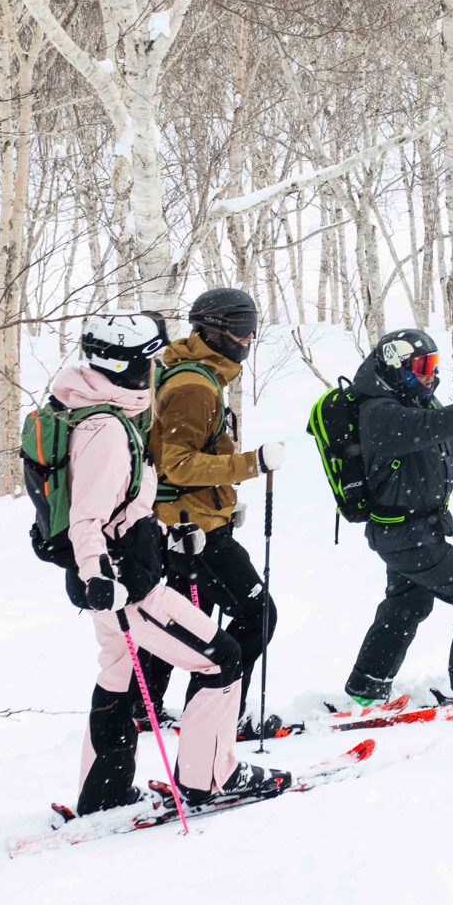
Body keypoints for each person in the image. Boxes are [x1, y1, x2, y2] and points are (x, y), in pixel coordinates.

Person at [51, 313, 286, 813]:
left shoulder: (84, 409)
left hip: (117, 572)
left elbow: (120, 501)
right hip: (125, 583)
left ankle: (104, 793)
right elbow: (87, 517)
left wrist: (165, 531)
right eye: (147, 359)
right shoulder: (107, 429)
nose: (154, 369)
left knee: (117, 672)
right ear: (127, 364)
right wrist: (98, 575)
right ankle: (208, 780)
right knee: (221, 657)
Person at [338, 327, 453, 704]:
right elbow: (433, 428)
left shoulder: (418, 403)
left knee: (408, 604)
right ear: (396, 366)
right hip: (406, 534)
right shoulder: (380, 411)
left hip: (415, 531)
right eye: (423, 365)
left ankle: (367, 687)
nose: (431, 374)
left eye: (435, 365)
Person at [145, 286, 285, 739]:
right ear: (215, 330)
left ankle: (142, 708)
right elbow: (177, 463)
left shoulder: (199, 376)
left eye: (252, 332)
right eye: (242, 332)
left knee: (183, 618)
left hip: (189, 524)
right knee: (257, 614)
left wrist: (224, 500)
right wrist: (252, 465)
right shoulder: (194, 385)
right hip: (194, 532)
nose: (248, 341)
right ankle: (215, 720)